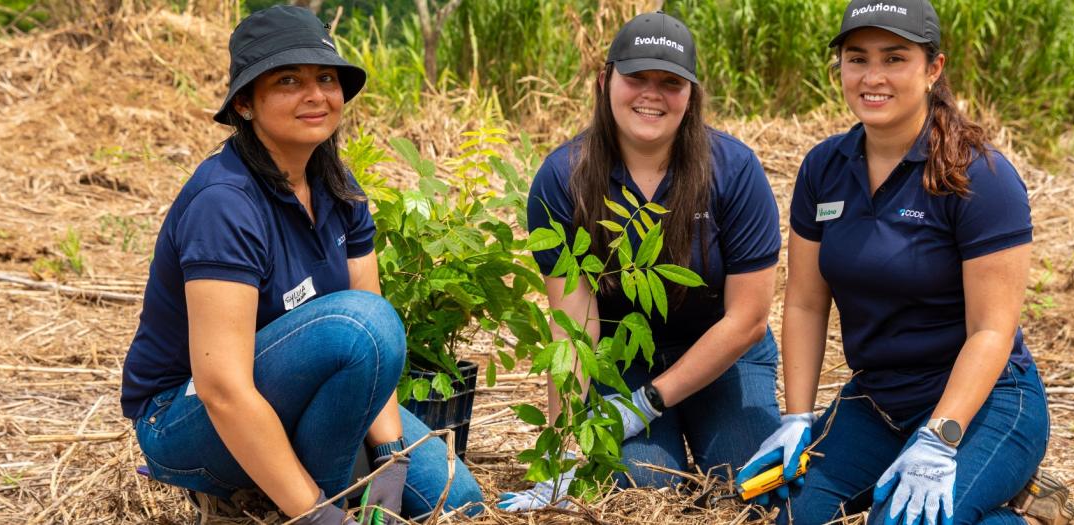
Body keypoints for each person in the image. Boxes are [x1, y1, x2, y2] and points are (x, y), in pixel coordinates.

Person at [119, 6, 482, 524]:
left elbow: (375, 356)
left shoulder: (340, 190)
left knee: (459, 502)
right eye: (288, 80)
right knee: (361, 323)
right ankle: (305, 500)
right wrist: (319, 515)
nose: (315, 95)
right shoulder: (225, 203)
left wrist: (390, 460)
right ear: (245, 103)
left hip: (289, 397)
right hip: (188, 419)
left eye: (326, 78)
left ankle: (310, 486)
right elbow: (223, 388)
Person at [738, 1, 1074, 524]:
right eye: (857, 59)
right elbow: (805, 302)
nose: (873, 77)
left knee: (899, 522)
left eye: (894, 58)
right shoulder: (824, 168)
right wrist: (797, 417)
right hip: (879, 400)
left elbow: (992, 330)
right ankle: (991, 498)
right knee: (780, 513)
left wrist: (939, 440)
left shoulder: (979, 175)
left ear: (932, 68)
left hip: (985, 402)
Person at [499, 11, 783, 511]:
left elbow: (748, 320)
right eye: (636, 78)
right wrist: (565, 448)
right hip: (622, 359)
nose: (651, 94)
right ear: (604, 79)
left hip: (724, 353)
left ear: (691, 94)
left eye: (670, 82)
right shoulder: (563, 178)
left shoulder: (734, 172)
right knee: (640, 487)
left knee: (751, 486)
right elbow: (575, 326)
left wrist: (648, 403)